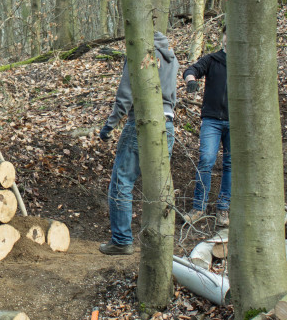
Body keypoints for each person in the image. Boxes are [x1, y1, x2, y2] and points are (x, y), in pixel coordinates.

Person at [98, 32, 179, 255]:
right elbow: (172, 96)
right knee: (159, 186)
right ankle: (160, 241)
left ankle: (122, 240)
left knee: (121, 181)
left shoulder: (141, 54)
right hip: (167, 124)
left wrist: (109, 126)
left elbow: (126, 94)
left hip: (141, 122)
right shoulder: (173, 58)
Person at [183, 27, 230, 227]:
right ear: (223, 38)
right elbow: (191, 70)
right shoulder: (212, 60)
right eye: (227, 34)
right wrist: (191, 81)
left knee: (230, 165)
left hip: (236, 122)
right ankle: (198, 208)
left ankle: (223, 209)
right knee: (206, 161)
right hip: (211, 120)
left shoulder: (244, 62)